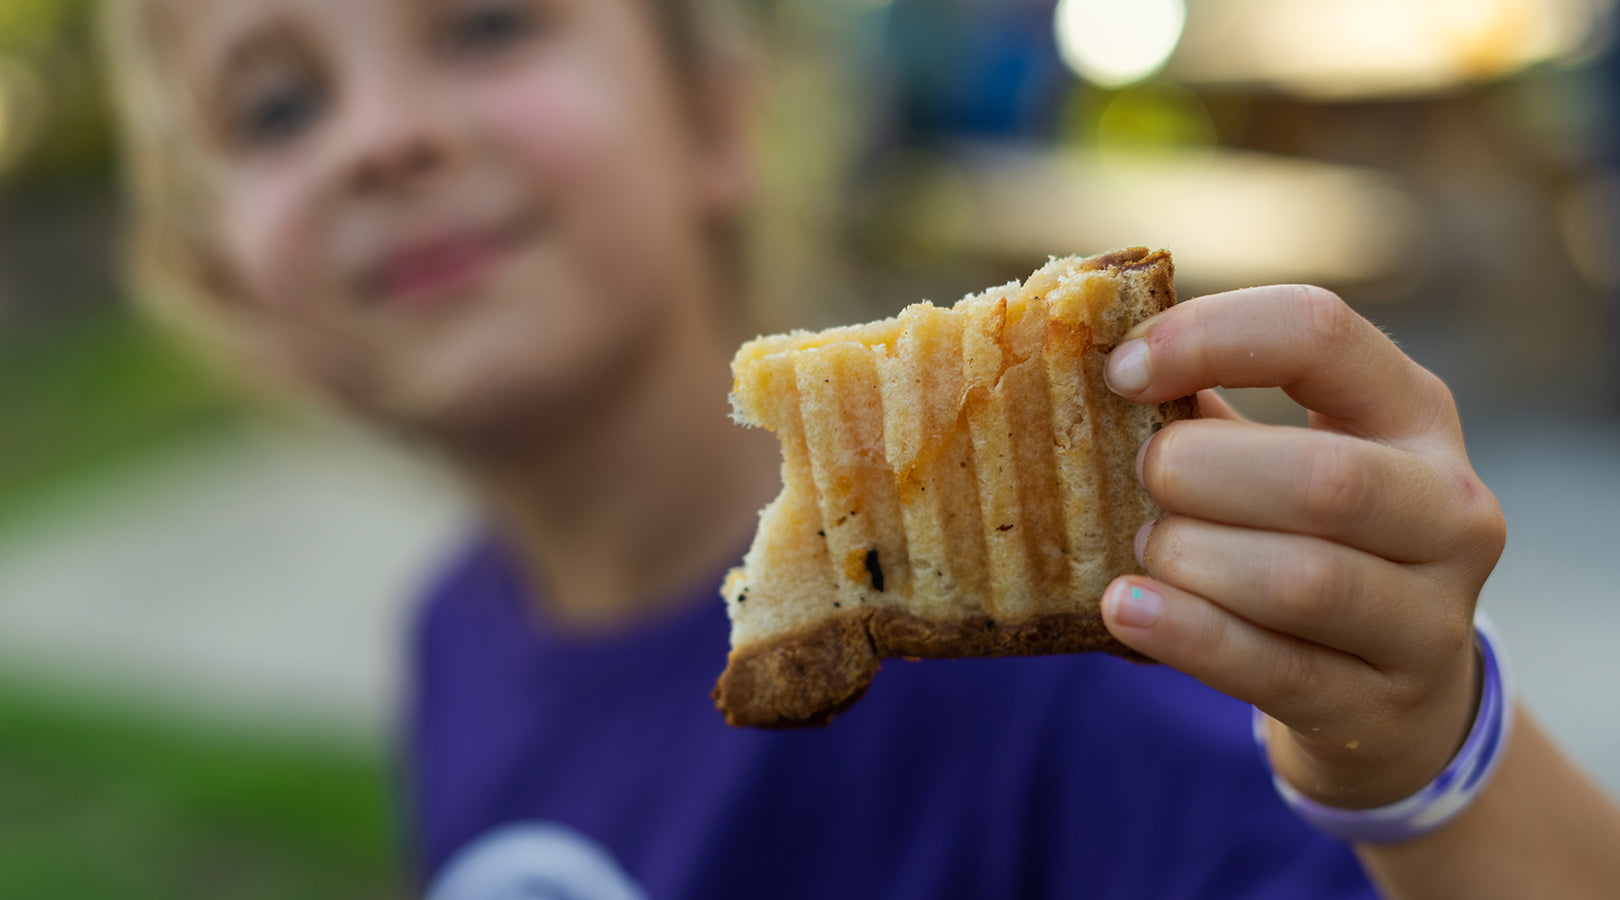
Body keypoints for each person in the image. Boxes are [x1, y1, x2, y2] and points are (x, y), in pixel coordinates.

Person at [99, 0, 1620, 896]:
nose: (383, 137)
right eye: (280, 103)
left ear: (713, 117)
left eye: (488, 21)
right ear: (238, 281)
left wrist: (1418, 756)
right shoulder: (450, 646)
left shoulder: (1073, 698)